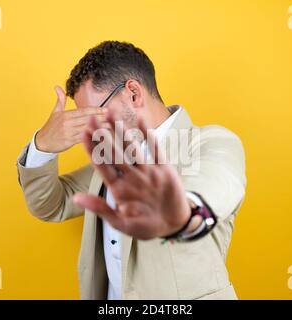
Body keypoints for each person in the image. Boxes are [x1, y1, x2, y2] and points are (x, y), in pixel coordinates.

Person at [16, 41, 246, 299]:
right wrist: (43, 146)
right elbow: (50, 204)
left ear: (133, 93)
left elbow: (213, 189)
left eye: (94, 115)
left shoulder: (210, 142)